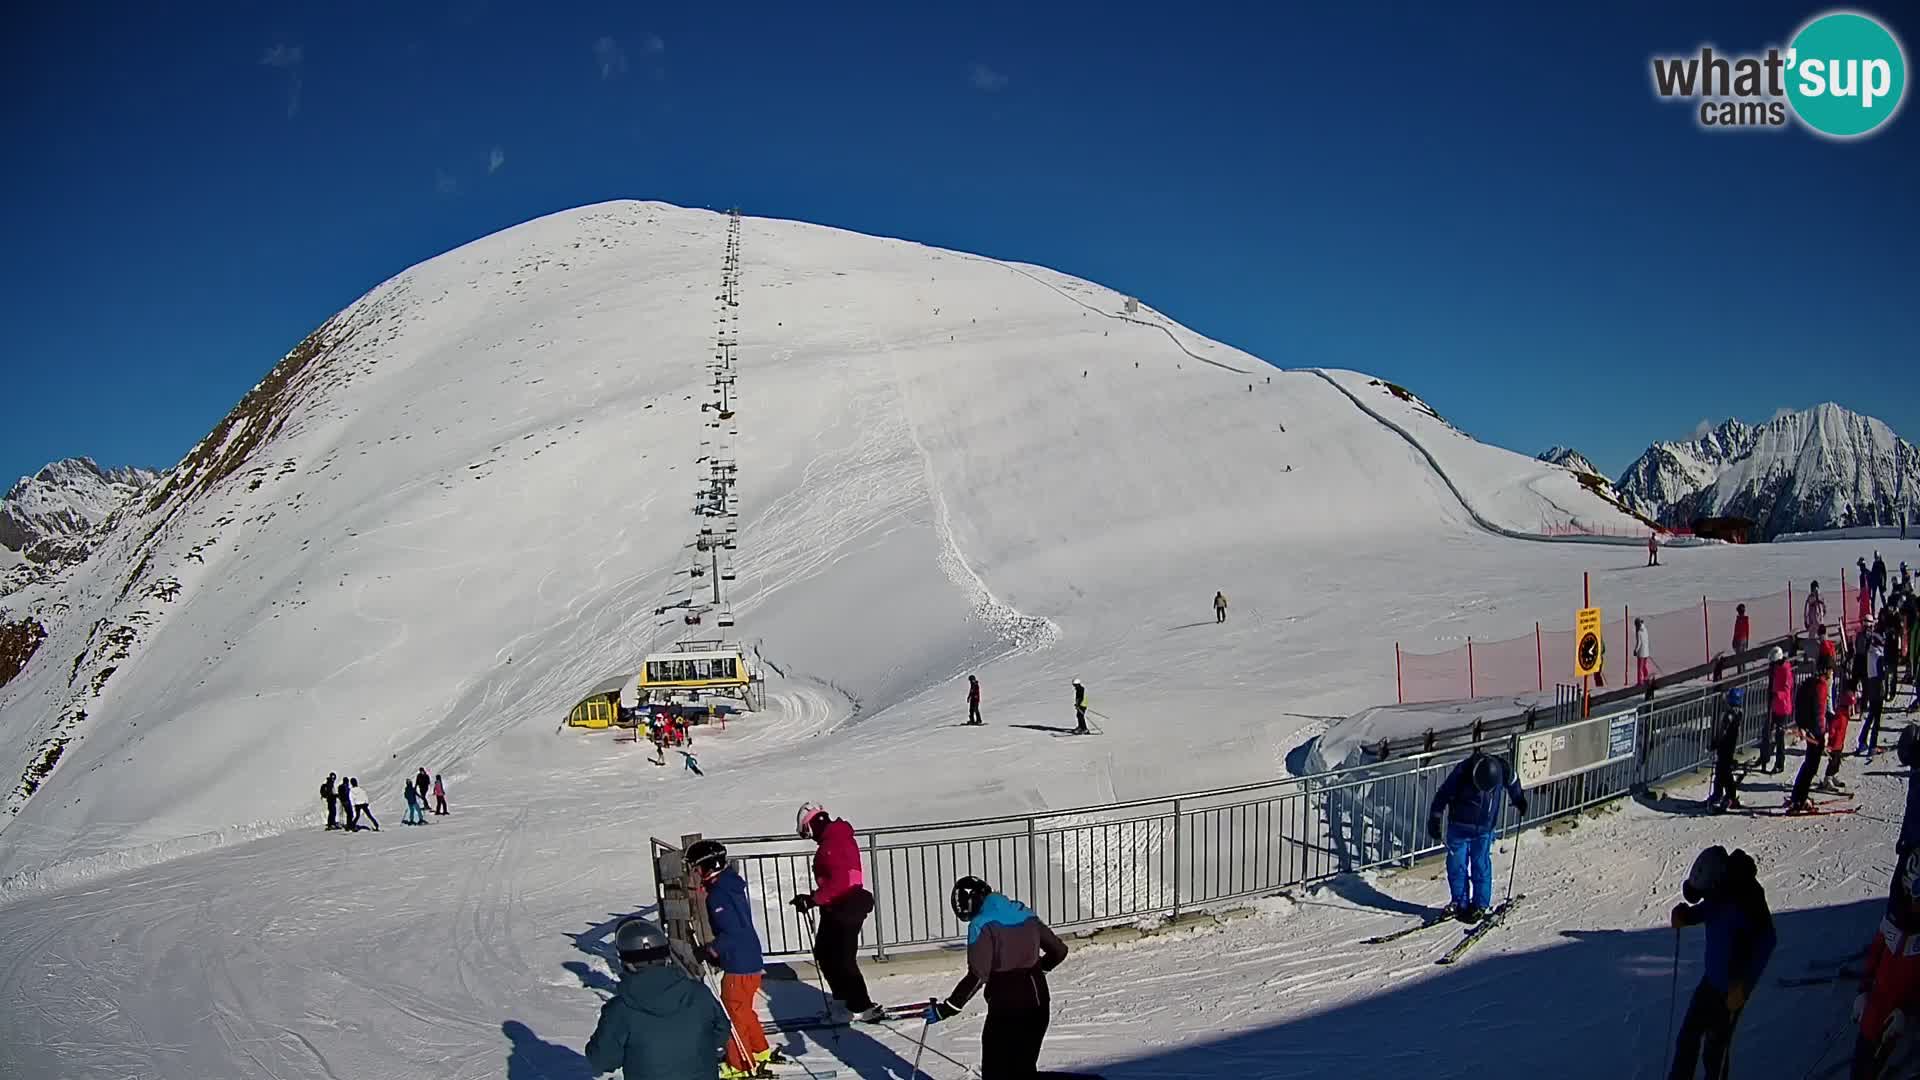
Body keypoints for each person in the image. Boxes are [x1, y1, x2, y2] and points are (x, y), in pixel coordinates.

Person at [926, 876, 1070, 1078]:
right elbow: (1059, 951)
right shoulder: (1024, 912)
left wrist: (948, 1008)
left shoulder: (981, 924)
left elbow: (978, 975)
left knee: (996, 1070)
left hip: (1007, 1009)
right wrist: (1038, 971)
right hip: (1038, 1003)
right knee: (1024, 1068)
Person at [1667, 846, 1775, 1080]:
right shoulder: (1720, 892)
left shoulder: (1747, 899)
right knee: (1688, 1037)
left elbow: (1767, 941)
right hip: (1711, 979)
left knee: (1715, 1052)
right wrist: (1688, 916)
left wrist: (1744, 986)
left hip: (1732, 988)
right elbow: (1710, 909)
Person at [584, 917, 731, 1080]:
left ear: (625, 962)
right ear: (666, 957)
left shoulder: (620, 1010)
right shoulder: (698, 994)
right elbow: (721, 1031)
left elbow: (603, 1060)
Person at [687, 840, 780, 1080]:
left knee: (733, 1014)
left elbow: (732, 932)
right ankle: (759, 1050)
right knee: (744, 1011)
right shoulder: (730, 886)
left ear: (707, 867)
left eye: (696, 869)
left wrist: (710, 950)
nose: (695, 875)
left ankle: (740, 1064)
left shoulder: (718, 895)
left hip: (739, 964)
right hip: (749, 960)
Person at [789, 803, 880, 1022]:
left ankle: (860, 1006)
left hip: (845, 906)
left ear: (810, 826)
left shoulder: (834, 842)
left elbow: (843, 882)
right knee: (826, 953)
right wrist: (815, 898)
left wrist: (812, 900)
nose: (809, 838)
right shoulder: (835, 838)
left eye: (806, 833)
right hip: (836, 905)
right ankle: (844, 1003)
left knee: (842, 959)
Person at [1426, 749, 1528, 923]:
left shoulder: (1503, 768)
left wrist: (1518, 798)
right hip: (1459, 827)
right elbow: (1443, 794)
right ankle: (1459, 902)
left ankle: (1480, 904)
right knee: (1456, 866)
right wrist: (1435, 818)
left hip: (1484, 829)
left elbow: (1513, 782)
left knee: (1480, 865)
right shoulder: (1462, 771)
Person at [1853, 849, 1920, 1080]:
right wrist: (1863, 991)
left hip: (1908, 1007)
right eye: (1914, 894)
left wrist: (1907, 1010)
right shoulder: (1895, 919)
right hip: (1881, 999)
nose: (1916, 903)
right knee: (1863, 1062)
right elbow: (1875, 956)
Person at [1789, 653, 1833, 813]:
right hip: (1815, 733)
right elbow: (1819, 712)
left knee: (1809, 765)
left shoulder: (1810, 682)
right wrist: (1822, 734)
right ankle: (1799, 798)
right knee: (1811, 767)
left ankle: (1799, 796)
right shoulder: (1820, 686)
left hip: (1809, 730)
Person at [1707, 688, 1744, 813]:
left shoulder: (1729, 715)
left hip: (1725, 746)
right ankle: (1722, 794)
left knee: (1724, 772)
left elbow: (1723, 730)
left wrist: (1716, 742)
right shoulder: (1739, 712)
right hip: (1730, 746)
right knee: (1723, 770)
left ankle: (1727, 795)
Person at [1759, 648, 1794, 775]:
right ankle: (1764, 756)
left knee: (1779, 737)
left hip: (1782, 707)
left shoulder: (1785, 670)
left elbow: (1787, 688)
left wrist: (1776, 694)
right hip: (1774, 706)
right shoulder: (1775, 668)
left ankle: (1780, 763)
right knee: (1766, 731)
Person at [1823, 677, 1858, 792]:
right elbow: (1833, 728)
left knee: (1837, 761)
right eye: (1850, 707)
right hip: (1834, 744)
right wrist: (1831, 741)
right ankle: (1827, 779)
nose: (1852, 710)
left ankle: (1833, 776)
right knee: (1833, 761)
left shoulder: (1845, 716)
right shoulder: (1840, 716)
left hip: (1839, 744)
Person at [1860, 625, 1888, 757]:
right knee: (1876, 718)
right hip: (1877, 685)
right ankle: (1872, 745)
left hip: (1871, 684)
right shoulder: (1878, 655)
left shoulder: (1869, 652)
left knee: (1871, 714)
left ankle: (1862, 740)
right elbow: (1882, 673)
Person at [1634, 617, 1653, 687]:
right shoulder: (1645, 629)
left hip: (1641, 652)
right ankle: (1647, 678)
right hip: (1646, 651)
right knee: (1645, 666)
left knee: (1640, 668)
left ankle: (1640, 682)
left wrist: (1635, 650)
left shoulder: (1638, 632)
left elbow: (1639, 643)